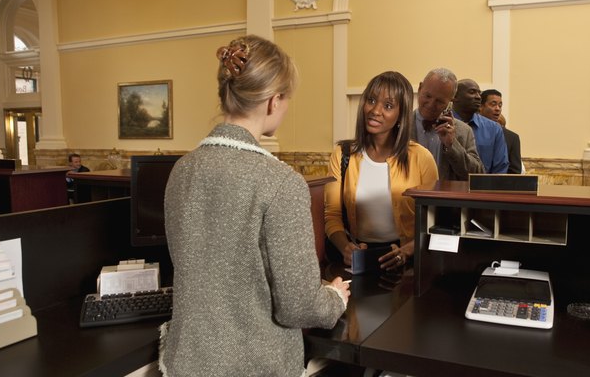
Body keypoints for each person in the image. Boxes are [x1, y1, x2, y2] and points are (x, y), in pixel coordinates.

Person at [159, 35, 349, 377]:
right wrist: (334, 298)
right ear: (273, 101)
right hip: (254, 366)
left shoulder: (181, 170)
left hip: (186, 362)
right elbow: (298, 306)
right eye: (287, 97)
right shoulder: (281, 182)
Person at [325, 71, 439, 269]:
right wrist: (346, 248)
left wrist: (407, 251)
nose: (375, 110)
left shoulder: (421, 157)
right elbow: (332, 216)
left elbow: (436, 222)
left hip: (408, 263)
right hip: (358, 258)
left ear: (401, 115)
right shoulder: (342, 154)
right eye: (371, 100)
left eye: (388, 106)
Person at [411, 68, 483, 180]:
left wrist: (452, 145)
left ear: (451, 101)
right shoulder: (399, 124)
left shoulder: (464, 131)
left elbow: (477, 175)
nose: (431, 104)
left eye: (439, 101)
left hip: (445, 197)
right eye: (428, 96)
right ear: (420, 88)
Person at [452, 79, 508, 174]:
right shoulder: (442, 123)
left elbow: (500, 169)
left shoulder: (493, 129)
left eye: (479, 93)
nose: (478, 97)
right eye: (472, 92)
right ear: (455, 96)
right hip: (446, 187)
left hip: (482, 187)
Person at [479, 89, 523, 174]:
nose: (497, 109)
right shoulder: (470, 129)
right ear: (481, 106)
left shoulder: (512, 137)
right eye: (493, 104)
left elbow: (515, 172)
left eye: (500, 105)